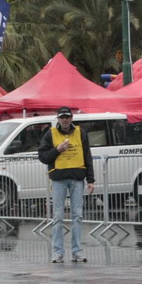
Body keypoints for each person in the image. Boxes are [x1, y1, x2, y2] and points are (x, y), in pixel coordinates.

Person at [37, 107, 95, 263]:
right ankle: (58, 252)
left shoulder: (81, 133)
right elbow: (42, 156)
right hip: (58, 180)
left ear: (71, 118)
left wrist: (90, 180)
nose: (64, 120)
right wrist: (57, 150)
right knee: (58, 216)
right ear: (58, 118)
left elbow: (87, 156)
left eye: (67, 117)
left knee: (78, 216)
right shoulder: (50, 134)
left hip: (77, 179)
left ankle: (77, 251)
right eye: (62, 117)